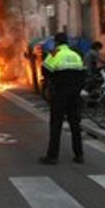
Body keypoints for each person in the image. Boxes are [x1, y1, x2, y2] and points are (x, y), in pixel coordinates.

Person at [39, 32, 86, 165]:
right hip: (75, 95)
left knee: (56, 125)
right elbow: (83, 74)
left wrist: (53, 81)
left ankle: (52, 156)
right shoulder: (75, 55)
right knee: (75, 125)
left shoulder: (55, 53)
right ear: (67, 42)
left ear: (56, 42)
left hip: (59, 94)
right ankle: (79, 155)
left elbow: (45, 70)